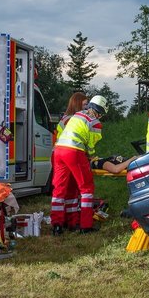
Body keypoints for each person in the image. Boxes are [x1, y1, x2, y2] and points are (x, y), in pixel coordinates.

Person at [50, 95, 108, 235]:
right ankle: (85, 226)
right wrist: (92, 157)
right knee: (86, 188)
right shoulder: (95, 123)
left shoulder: (77, 115)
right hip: (74, 152)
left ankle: (57, 225)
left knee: (59, 189)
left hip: (58, 151)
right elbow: (91, 145)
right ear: (100, 112)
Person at [51, 92, 89, 229]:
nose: (87, 107)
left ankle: (59, 223)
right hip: (71, 154)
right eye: (84, 104)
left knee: (62, 191)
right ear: (77, 104)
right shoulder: (77, 119)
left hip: (58, 154)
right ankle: (72, 222)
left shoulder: (64, 119)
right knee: (73, 189)